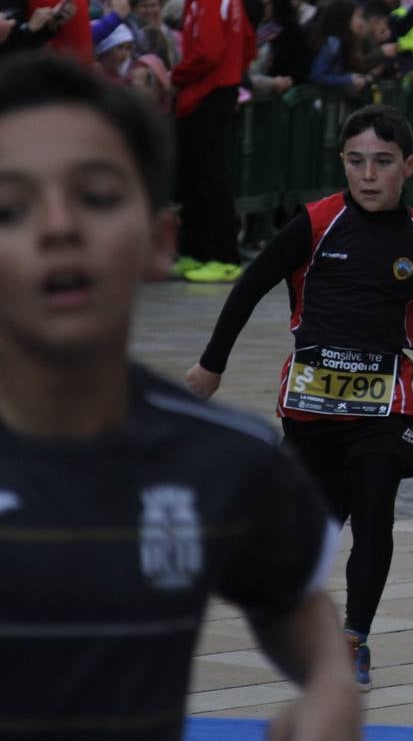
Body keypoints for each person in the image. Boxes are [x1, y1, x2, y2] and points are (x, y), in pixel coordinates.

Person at [0, 52, 360, 739]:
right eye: (10, 207)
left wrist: (329, 688)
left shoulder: (225, 458)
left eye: (97, 196)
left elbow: (296, 604)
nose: (58, 227)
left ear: (161, 241)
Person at [185, 104, 413, 693]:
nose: (368, 175)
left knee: (375, 516)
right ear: (342, 164)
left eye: (382, 162)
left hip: (384, 408)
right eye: (356, 162)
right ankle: (307, 629)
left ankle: (355, 637)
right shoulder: (317, 223)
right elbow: (250, 286)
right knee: (308, 536)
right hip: (310, 410)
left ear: (410, 166)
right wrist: (211, 366)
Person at [170, 0, 256, 283]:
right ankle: (195, 251)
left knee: (208, 178)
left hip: (206, 93)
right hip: (210, 92)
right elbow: (248, 42)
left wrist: (176, 75)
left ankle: (222, 257)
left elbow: (207, 51)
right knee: (195, 176)